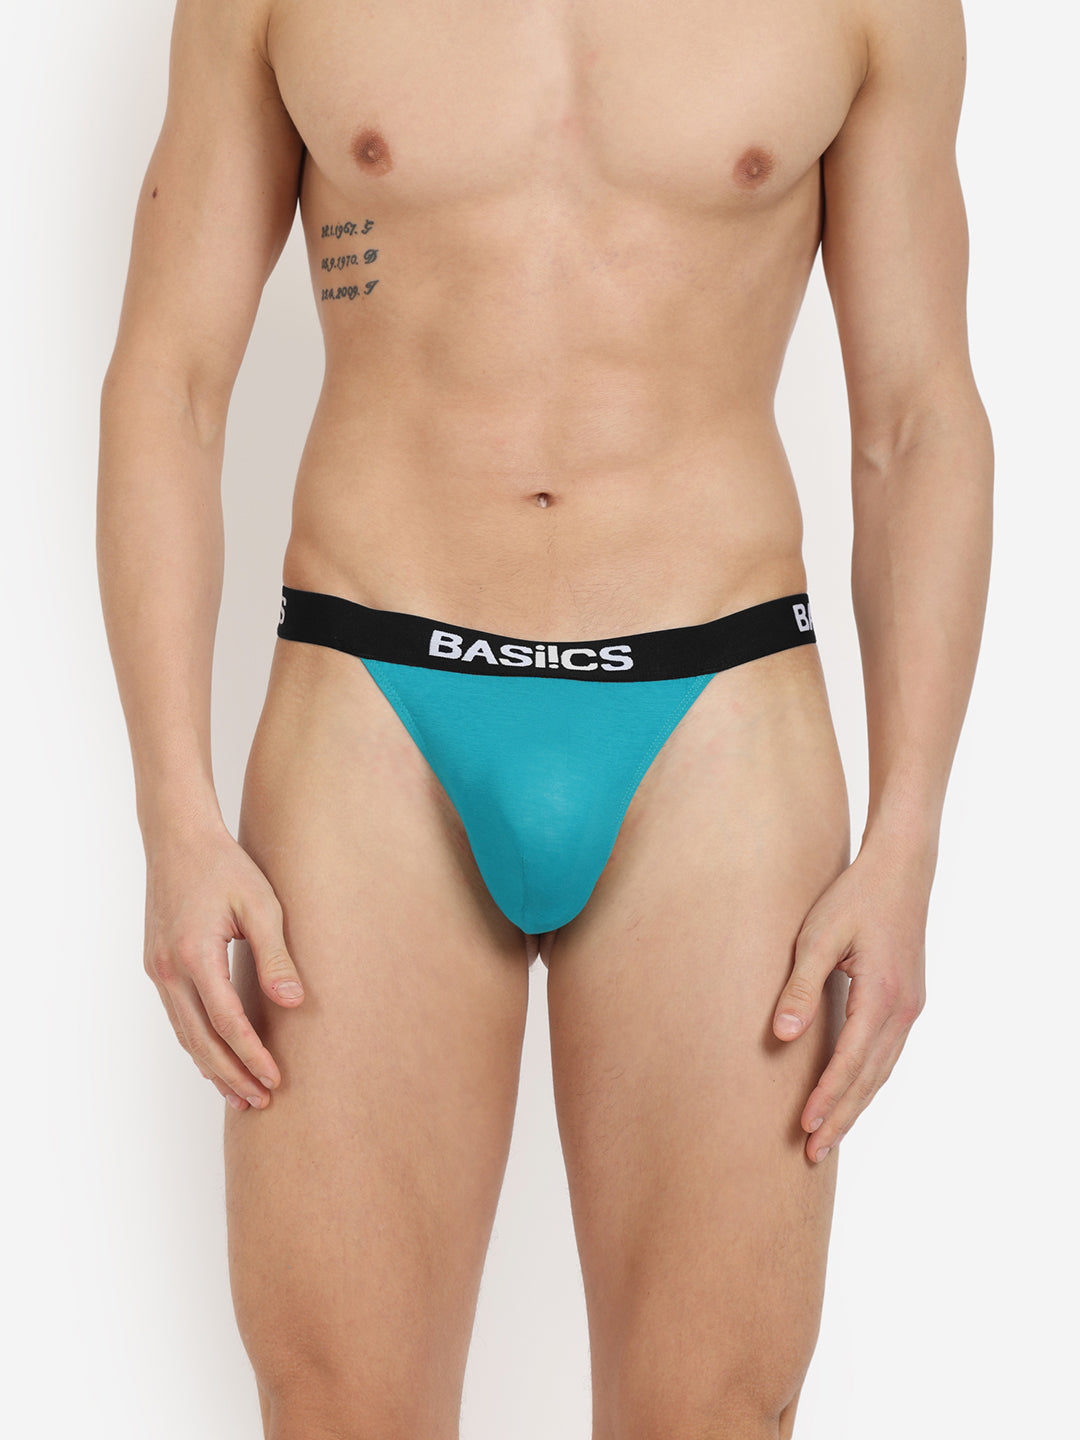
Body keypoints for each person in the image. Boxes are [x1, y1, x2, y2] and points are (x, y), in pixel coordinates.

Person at [96, 0, 992, 1435]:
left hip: (716, 718)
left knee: (713, 1412)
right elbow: (173, 379)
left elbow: (915, 416)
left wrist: (909, 840)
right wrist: (173, 815)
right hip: (373, 698)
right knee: (338, 1410)